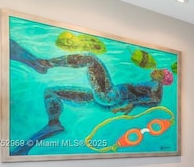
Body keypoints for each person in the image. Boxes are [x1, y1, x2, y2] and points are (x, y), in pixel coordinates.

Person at [9, 39, 172, 155]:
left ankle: (44, 63)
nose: (155, 70)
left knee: (91, 59)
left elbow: (154, 101)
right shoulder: (153, 87)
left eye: (160, 72)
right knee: (51, 92)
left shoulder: (155, 87)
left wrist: (129, 105)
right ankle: (53, 123)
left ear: (162, 79)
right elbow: (150, 101)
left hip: (110, 95)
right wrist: (129, 105)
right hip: (105, 102)